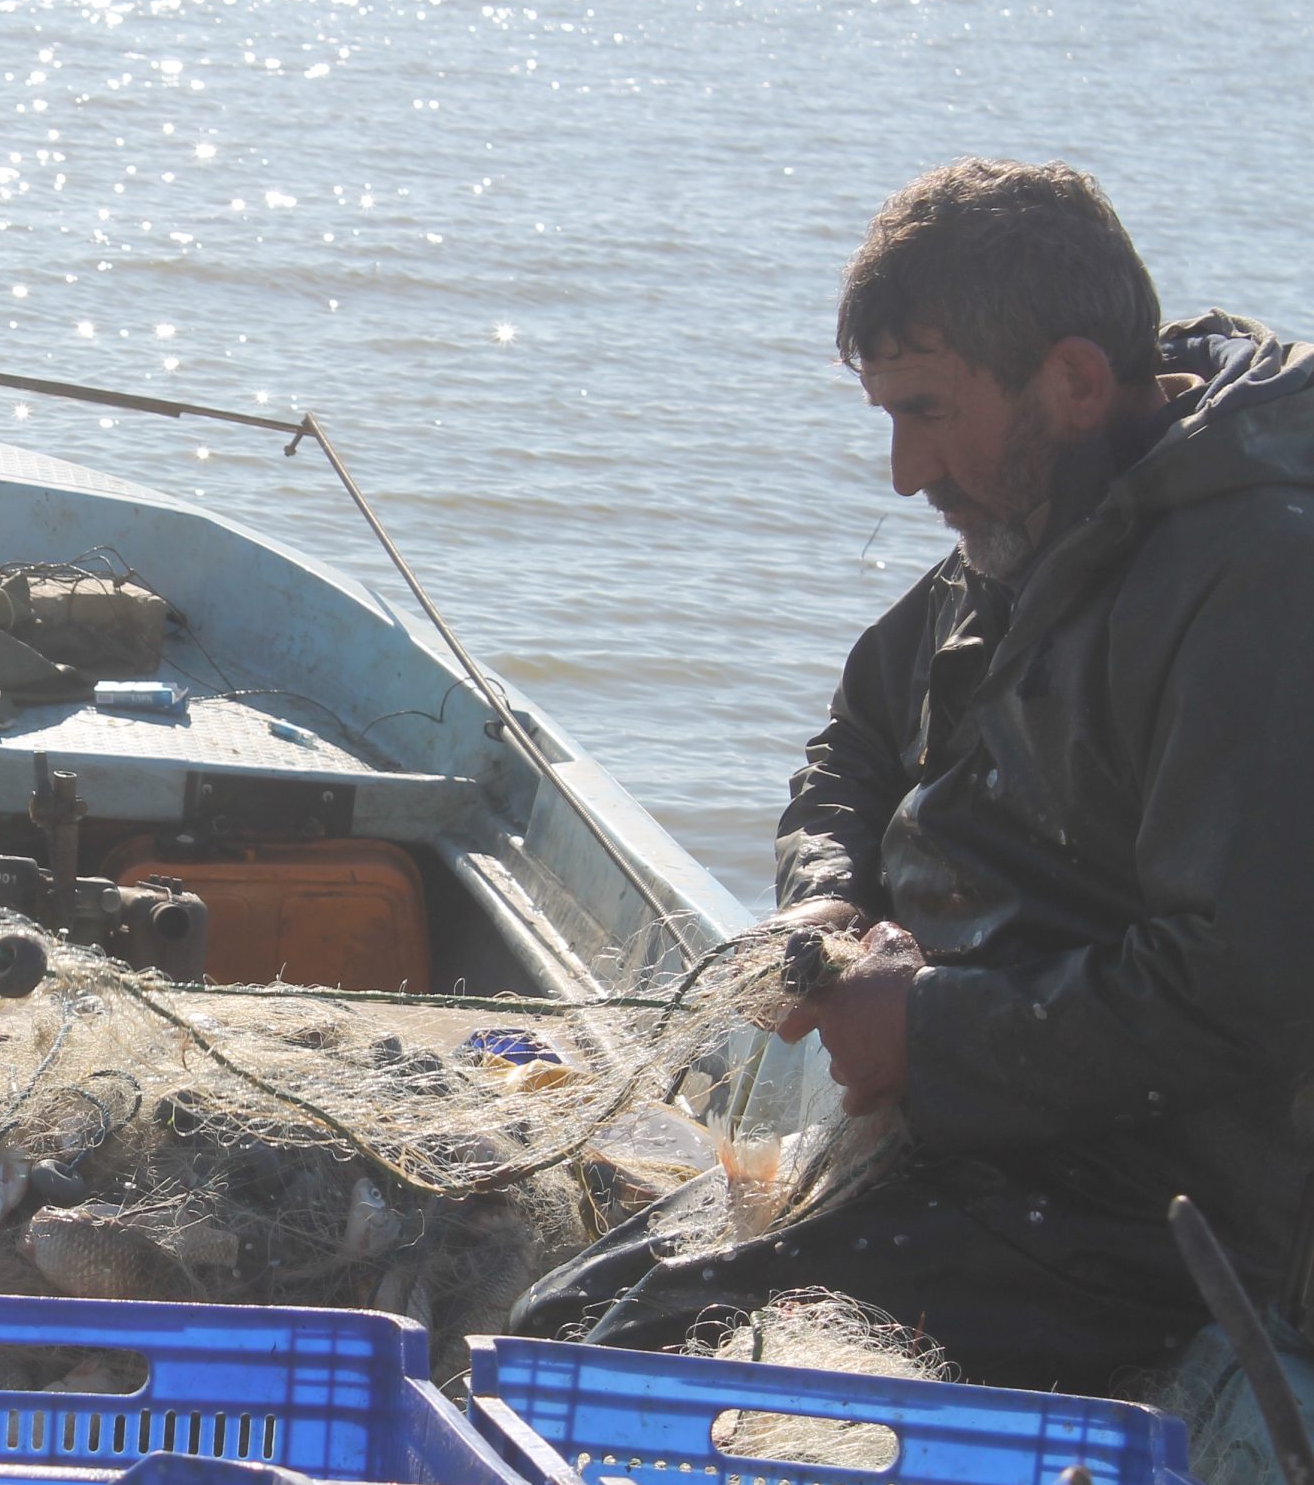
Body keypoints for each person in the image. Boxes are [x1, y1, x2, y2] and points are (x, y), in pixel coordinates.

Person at [514, 159, 1314, 1393]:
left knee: (616, 1368)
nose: (902, 471)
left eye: (927, 412)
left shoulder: (1259, 579)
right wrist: (823, 899)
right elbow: (856, 738)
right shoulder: (1032, 506)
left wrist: (930, 1034)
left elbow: (1237, 991)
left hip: (1150, 1214)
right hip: (965, 1143)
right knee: (557, 1318)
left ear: (1076, 381)